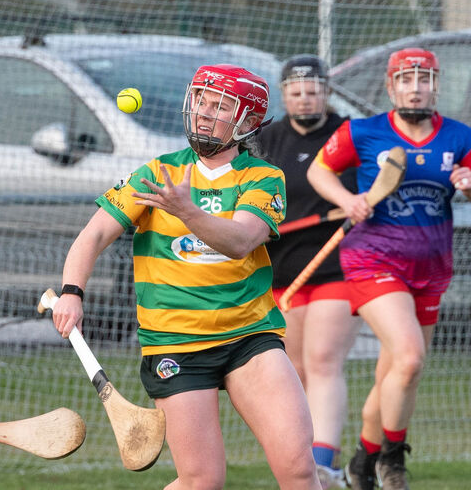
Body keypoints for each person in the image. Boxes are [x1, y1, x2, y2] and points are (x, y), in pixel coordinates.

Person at [51, 64, 321, 490]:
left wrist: (187, 211)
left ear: (247, 121)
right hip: (176, 344)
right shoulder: (156, 174)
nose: (204, 113)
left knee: (299, 466)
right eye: (200, 100)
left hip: (250, 336)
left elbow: (240, 241)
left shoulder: (263, 178)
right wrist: (71, 292)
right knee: (201, 481)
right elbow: (94, 234)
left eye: (219, 106)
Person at [307, 48, 471, 490]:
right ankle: (391, 462)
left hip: (432, 264)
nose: (415, 88)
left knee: (397, 372)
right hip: (372, 258)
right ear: (391, 85)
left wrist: (469, 186)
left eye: (424, 79)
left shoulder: (460, 136)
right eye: (406, 79)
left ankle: (361, 463)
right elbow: (320, 171)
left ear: (435, 85)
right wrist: (347, 200)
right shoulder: (362, 131)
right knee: (411, 355)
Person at [256, 54, 362, 489]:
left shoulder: (348, 135)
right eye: (296, 92)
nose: (305, 99)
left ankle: (324, 462)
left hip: (337, 263)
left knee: (323, 361)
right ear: (284, 95)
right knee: (294, 368)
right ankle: (300, 462)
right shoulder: (266, 140)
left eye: (314, 91)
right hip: (279, 269)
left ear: (327, 92)